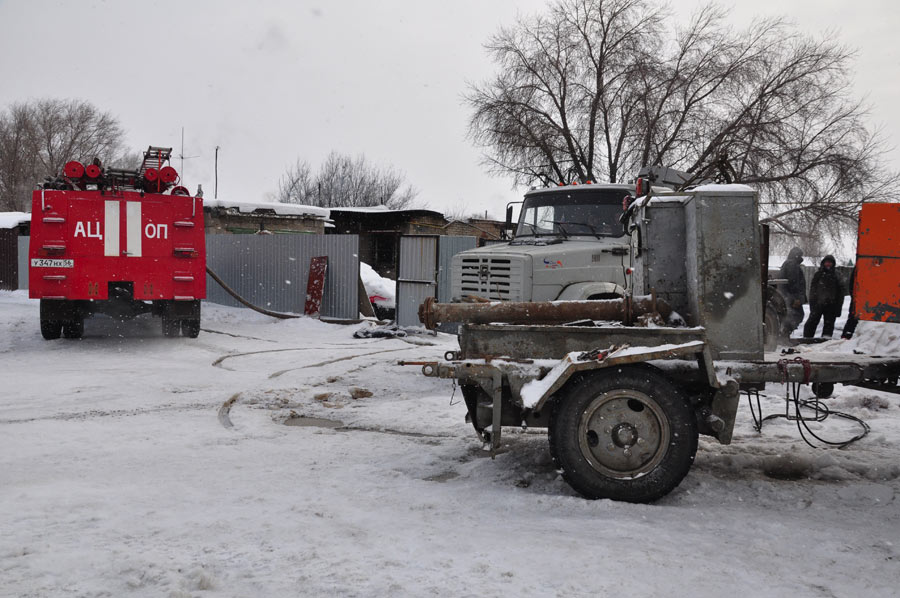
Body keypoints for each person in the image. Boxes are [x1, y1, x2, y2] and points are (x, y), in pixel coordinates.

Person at [803, 255, 845, 338]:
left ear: (833, 264)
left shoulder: (837, 275)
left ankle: (825, 340)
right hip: (818, 304)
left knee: (829, 325)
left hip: (831, 305)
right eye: (826, 262)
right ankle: (807, 338)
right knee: (811, 323)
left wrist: (838, 308)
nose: (828, 264)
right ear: (823, 263)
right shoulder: (818, 274)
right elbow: (812, 290)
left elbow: (841, 293)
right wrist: (813, 305)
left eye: (830, 262)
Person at [779, 247, 807, 336]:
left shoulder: (788, 263)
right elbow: (793, 282)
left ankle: (785, 334)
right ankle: (785, 335)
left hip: (786, 295)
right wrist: (796, 298)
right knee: (797, 315)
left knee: (791, 315)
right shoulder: (792, 264)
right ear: (797, 255)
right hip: (790, 297)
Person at [841, 266, 858, 339]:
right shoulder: (858, 268)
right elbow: (851, 285)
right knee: (852, 318)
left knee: (852, 318)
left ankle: (847, 335)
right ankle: (847, 336)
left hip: (857, 299)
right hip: (857, 299)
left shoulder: (858, 268)